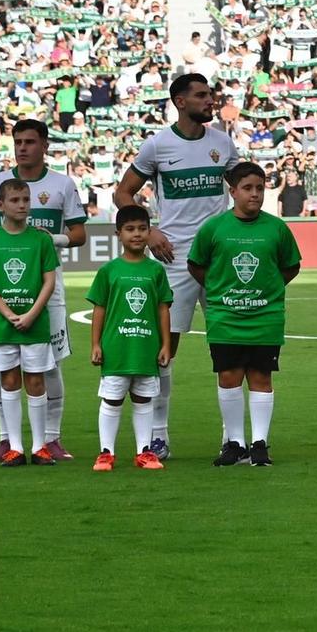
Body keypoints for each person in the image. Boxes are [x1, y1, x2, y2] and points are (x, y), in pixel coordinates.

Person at [114, 73, 238, 459]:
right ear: (180, 102)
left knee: (229, 347)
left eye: (210, 94)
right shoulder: (158, 145)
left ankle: (233, 438)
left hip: (219, 258)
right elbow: (123, 192)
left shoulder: (223, 143)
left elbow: (242, 188)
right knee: (165, 348)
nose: (210, 101)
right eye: (201, 95)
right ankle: (158, 435)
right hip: (174, 258)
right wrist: (149, 230)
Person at [0, 117, 88, 462]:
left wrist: (46, 239)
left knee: (50, 363)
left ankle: (50, 439)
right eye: (18, 142)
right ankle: (6, 439)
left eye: (30, 142)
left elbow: (79, 234)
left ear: (44, 145)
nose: (23, 148)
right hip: (8, 288)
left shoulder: (62, 184)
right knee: (5, 367)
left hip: (48, 287)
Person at [189, 162, 302, 468]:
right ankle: (236, 444)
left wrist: (270, 289)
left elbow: (291, 265)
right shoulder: (214, 228)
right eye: (247, 188)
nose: (255, 194)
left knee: (261, 377)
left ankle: (260, 444)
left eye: (260, 188)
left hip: (265, 318)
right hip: (225, 318)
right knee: (228, 377)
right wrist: (218, 290)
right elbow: (196, 264)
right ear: (233, 191)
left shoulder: (277, 228)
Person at [0, 178, 60, 467]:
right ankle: (15, 447)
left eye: (25, 200)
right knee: (9, 380)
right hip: (2, 325)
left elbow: (49, 282)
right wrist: (8, 313)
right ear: (0, 205)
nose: (22, 205)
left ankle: (39, 447)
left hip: (35, 324)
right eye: (15, 200)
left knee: (35, 380)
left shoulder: (41, 239)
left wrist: (32, 313)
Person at [86, 204, 174, 471]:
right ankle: (106, 453)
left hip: (145, 346)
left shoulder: (156, 270)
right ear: (118, 234)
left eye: (142, 229)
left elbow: (163, 308)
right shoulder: (109, 270)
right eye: (130, 229)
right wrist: (96, 344)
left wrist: (166, 344)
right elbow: (99, 309)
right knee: (112, 399)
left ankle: (144, 452)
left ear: (149, 232)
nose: (136, 234)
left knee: (143, 399)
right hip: (117, 347)